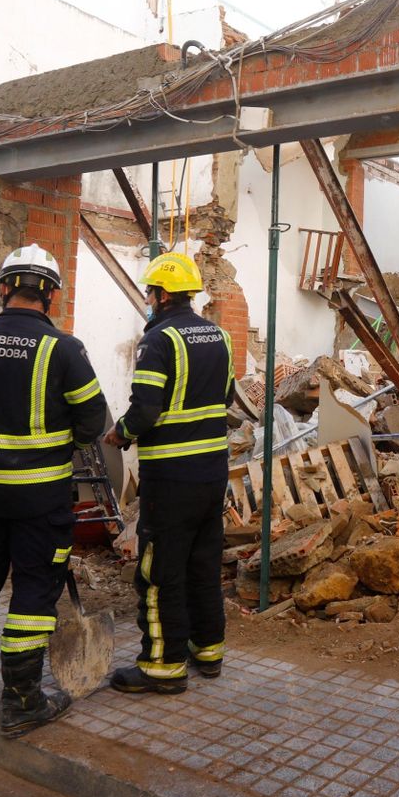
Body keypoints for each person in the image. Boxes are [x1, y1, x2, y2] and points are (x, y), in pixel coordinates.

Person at [0, 243, 108, 736]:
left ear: (5, 288)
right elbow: (92, 419)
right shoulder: (64, 350)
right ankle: (21, 701)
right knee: (34, 588)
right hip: (40, 498)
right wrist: (59, 444)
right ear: (50, 295)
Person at [105, 251, 234, 694]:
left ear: (160, 295)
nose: (148, 299)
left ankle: (162, 665)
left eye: (150, 293)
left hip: (172, 477)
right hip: (213, 472)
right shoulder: (220, 336)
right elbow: (228, 396)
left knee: (161, 570)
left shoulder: (157, 342)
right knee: (203, 562)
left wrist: (119, 433)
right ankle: (209, 651)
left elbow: (145, 410)